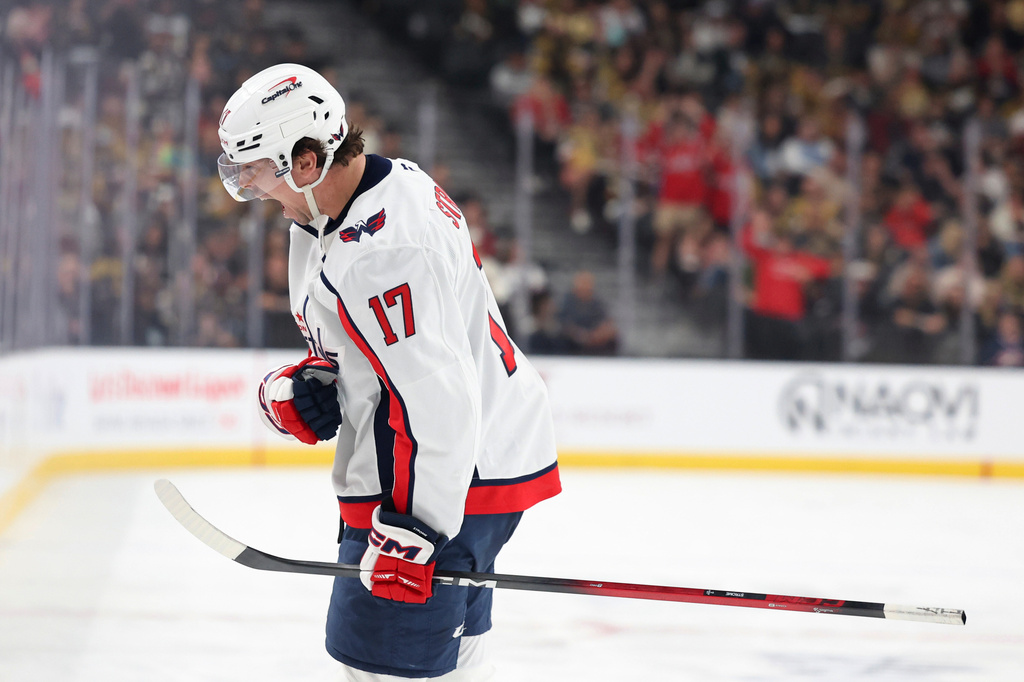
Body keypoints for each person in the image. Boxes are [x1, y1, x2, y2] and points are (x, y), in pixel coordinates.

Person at [216, 63, 562, 681]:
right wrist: (317, 383)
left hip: (446, 478)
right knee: (444, 663)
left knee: (385, 669)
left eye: (258, 172)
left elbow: (436, 398)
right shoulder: (367, 196)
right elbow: (390, 352)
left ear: (304, 161)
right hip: (465, 461)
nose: (254, 190)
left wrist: (415, 527)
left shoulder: (383, 250)